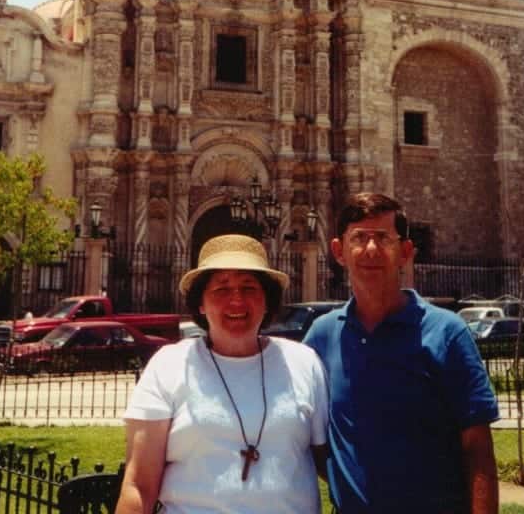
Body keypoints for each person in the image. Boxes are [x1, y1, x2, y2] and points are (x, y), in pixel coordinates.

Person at [304, 192, 499, 514]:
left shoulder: (446, 332)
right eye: (359, 238)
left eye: (383, 238)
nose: (370, 249)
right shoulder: (321, 337)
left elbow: (477, 449)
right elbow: (314, 439)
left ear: (405, 251)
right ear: (339, 251)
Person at [115, 234, 328, 514]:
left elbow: (329, 463)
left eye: (249, 287)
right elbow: (139, 486)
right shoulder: (169, 365)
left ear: (267, 300)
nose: (236, 300)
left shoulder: (303, 362)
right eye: (221, 289)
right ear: (201, 304)